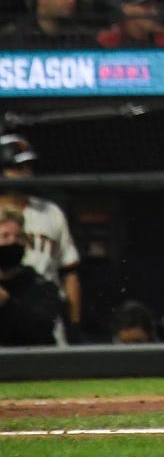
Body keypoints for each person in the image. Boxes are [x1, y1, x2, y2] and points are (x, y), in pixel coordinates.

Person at [0, 134, 81, 339]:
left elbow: (69, 272)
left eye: (28, 167)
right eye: (17, 168)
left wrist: (74, 325)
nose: (26, 174)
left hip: (42, 309)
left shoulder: (50, 211)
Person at [0, 206, 62, 346]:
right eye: (5, 236)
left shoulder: (41, 286)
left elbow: (40, 332)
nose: (13, 242)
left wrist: (6, 303)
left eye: (18, 237)